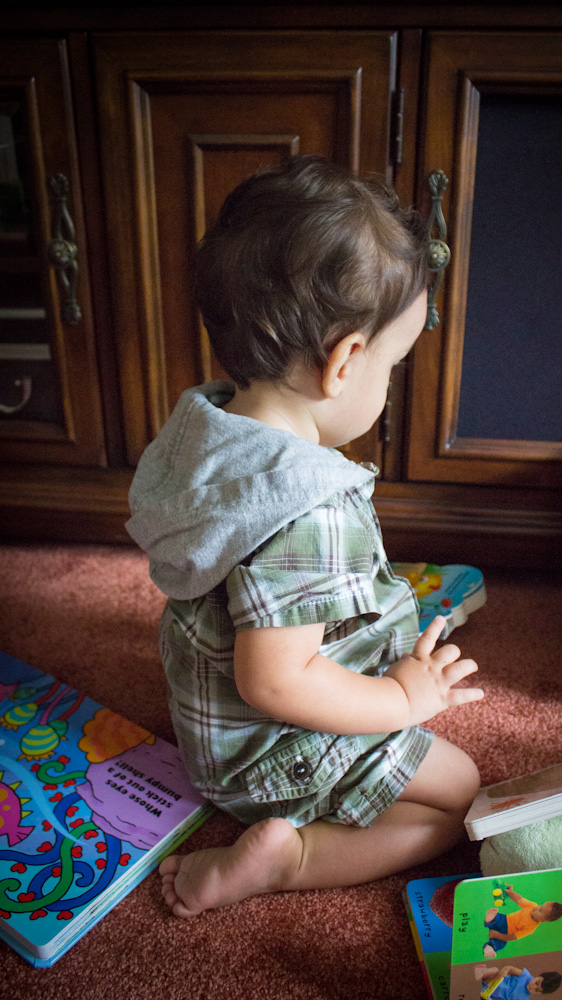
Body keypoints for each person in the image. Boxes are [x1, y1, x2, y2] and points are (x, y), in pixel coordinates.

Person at [126, 155, 484, 918]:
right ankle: (288, 859)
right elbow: (276, 683)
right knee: (458, 797)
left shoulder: (207, 428)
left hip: (214, 728)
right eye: (392, 366)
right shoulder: (305, 507)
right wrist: (400, 697)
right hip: (266, 755)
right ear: (344, 362)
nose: (387, 383)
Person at [482, 884, 562, 958]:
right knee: (498, 917)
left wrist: (498, 935)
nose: (538, 907)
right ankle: (490, 918)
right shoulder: (532, 906)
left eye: (541, 910)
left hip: (506, 932)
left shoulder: (530, 928)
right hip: (505, 920)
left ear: (542, 920)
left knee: (500, 943)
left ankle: (489, 948)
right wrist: (511, 893)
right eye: (541, 905)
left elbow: (513, 937)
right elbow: (519, 899)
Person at [475, 963, 562, 998]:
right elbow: (510, 968)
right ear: (538, 976)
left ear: (540, 993)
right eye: (536, 983)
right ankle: (482, 972)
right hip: (492, 982)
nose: (533, 987)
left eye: (536, 990)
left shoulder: (524, 998)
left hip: (490, 997)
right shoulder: (525, 975)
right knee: (496, 970)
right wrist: (503, 972)